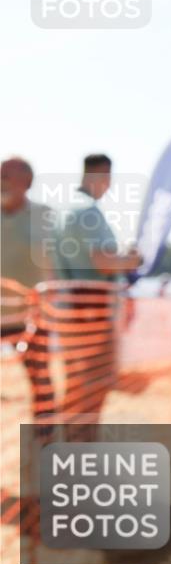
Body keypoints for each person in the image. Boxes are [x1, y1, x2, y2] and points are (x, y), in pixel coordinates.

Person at [56, 154, 141, 438]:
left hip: (70, 311)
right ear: (103, 174)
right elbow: (102, 261)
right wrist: (131, 260)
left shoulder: (66, 211)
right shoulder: (88, 211)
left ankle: (69, 453)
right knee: (93, 386)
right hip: (91, 312)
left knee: (76, 385)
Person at [0, 157, 58, 437]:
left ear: (26, 181)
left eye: (7, 175)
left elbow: (55, 265)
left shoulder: (43, 215)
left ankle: (45, 439)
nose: (1, 179)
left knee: (40, 379)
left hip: (31, 317)